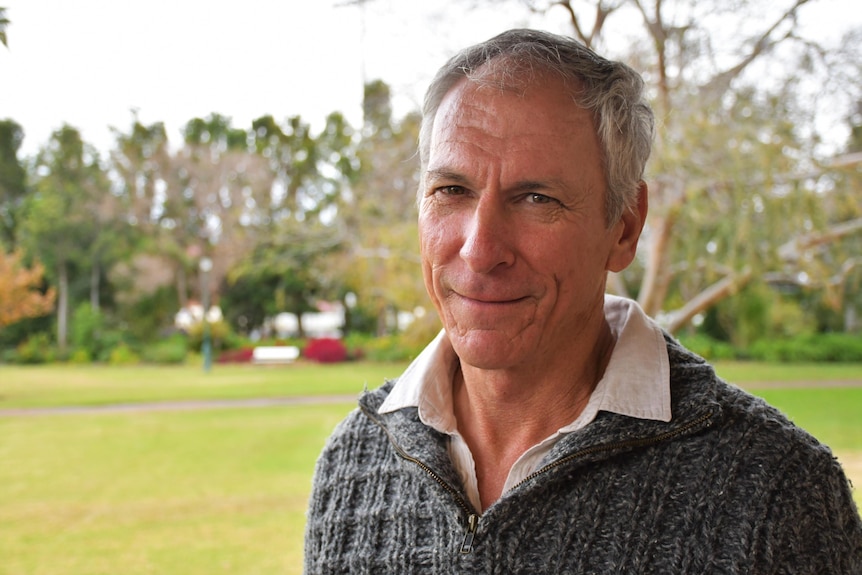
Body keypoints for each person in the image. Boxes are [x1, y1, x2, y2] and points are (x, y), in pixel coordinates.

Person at [303, 28, 862, 573]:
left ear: (623, 227)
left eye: (536, 197)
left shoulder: (776, 492)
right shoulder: (353, 460)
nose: (480, 250)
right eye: (452, 190)